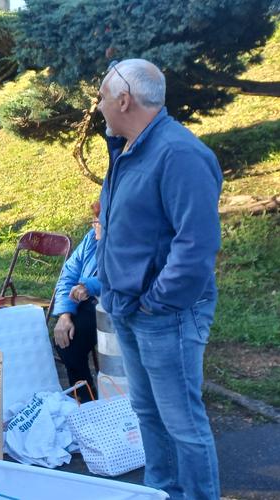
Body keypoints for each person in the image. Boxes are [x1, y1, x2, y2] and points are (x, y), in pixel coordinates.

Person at [96, 59, 222, 500]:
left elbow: (197, 244)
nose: (99, 107)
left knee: (182, 422)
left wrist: (157, 302)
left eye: (103, 98)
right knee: (147, 411)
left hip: (163, 314)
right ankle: (161, 492)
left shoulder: (179, 153)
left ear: (124, 100)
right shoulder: (129, 148)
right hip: (129, 307)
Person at [51, 201, 102, 402]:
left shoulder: (129, 241)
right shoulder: (91, 240)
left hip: (118, 306)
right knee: (66, 342)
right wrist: (65, 315)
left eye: (99, 221)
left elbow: (127, 277)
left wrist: (90, 285)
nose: (94, 225)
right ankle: (84, 402)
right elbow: (68, 276)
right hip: (90, 304)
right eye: (94, 220)